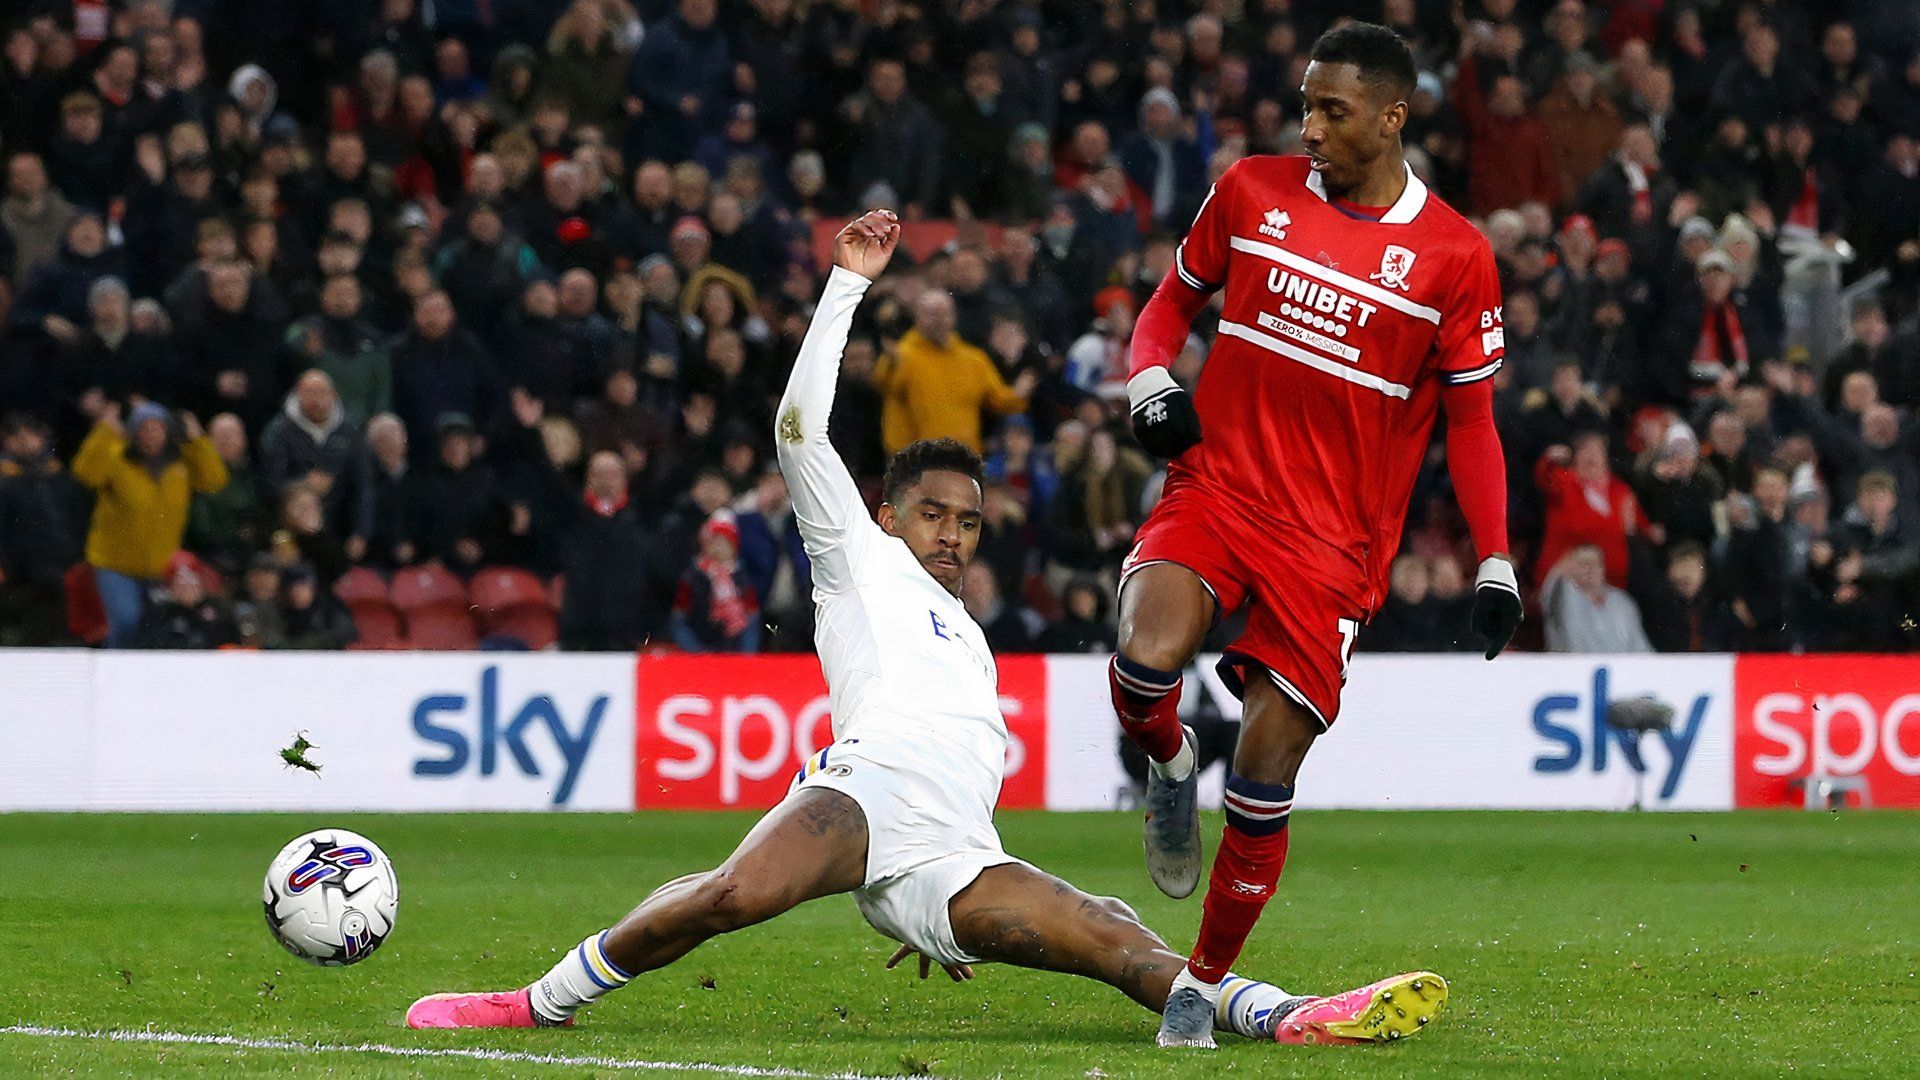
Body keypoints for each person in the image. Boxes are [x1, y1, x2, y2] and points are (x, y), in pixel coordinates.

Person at [403, 212, 1446, 1049]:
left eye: (970, 523)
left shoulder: (968, 633)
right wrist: (848, 284)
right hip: (866, 789)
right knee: (735, 893)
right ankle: (537, 1001)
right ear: (890, 510)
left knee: (1104, 932)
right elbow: (797, 426)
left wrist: (930, 895)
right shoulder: (853, 554)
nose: (954, 536)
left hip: (949, 852)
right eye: (936, 515)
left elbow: (971, 758)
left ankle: (1282, 1014)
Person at [1111, 24, 1513, 1048]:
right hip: (1219, 489)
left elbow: (1471, 422)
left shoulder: (1456, 256)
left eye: (1334, 111)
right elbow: (1168, 310)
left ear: (1392, 116)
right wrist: (1150, 379)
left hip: (1333, 549)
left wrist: (1497, 555)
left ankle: (1200, 984)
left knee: (1263, 776)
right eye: (1306, 105)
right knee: (1144, 664)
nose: (1312, 127)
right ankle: (1165, 761)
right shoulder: (1251, 190)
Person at [71, 401, 228, 647]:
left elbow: (214, 480)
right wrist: (104, 432)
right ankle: (115, 677)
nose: (151, 434)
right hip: (116, 565)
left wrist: (198, 441)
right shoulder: (117, 457)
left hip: (162, 566)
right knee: (126, 622)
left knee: (157, 628)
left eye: (157, 427)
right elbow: (86, 474)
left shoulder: (181, 463)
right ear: (133, 432)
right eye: (144, 428)